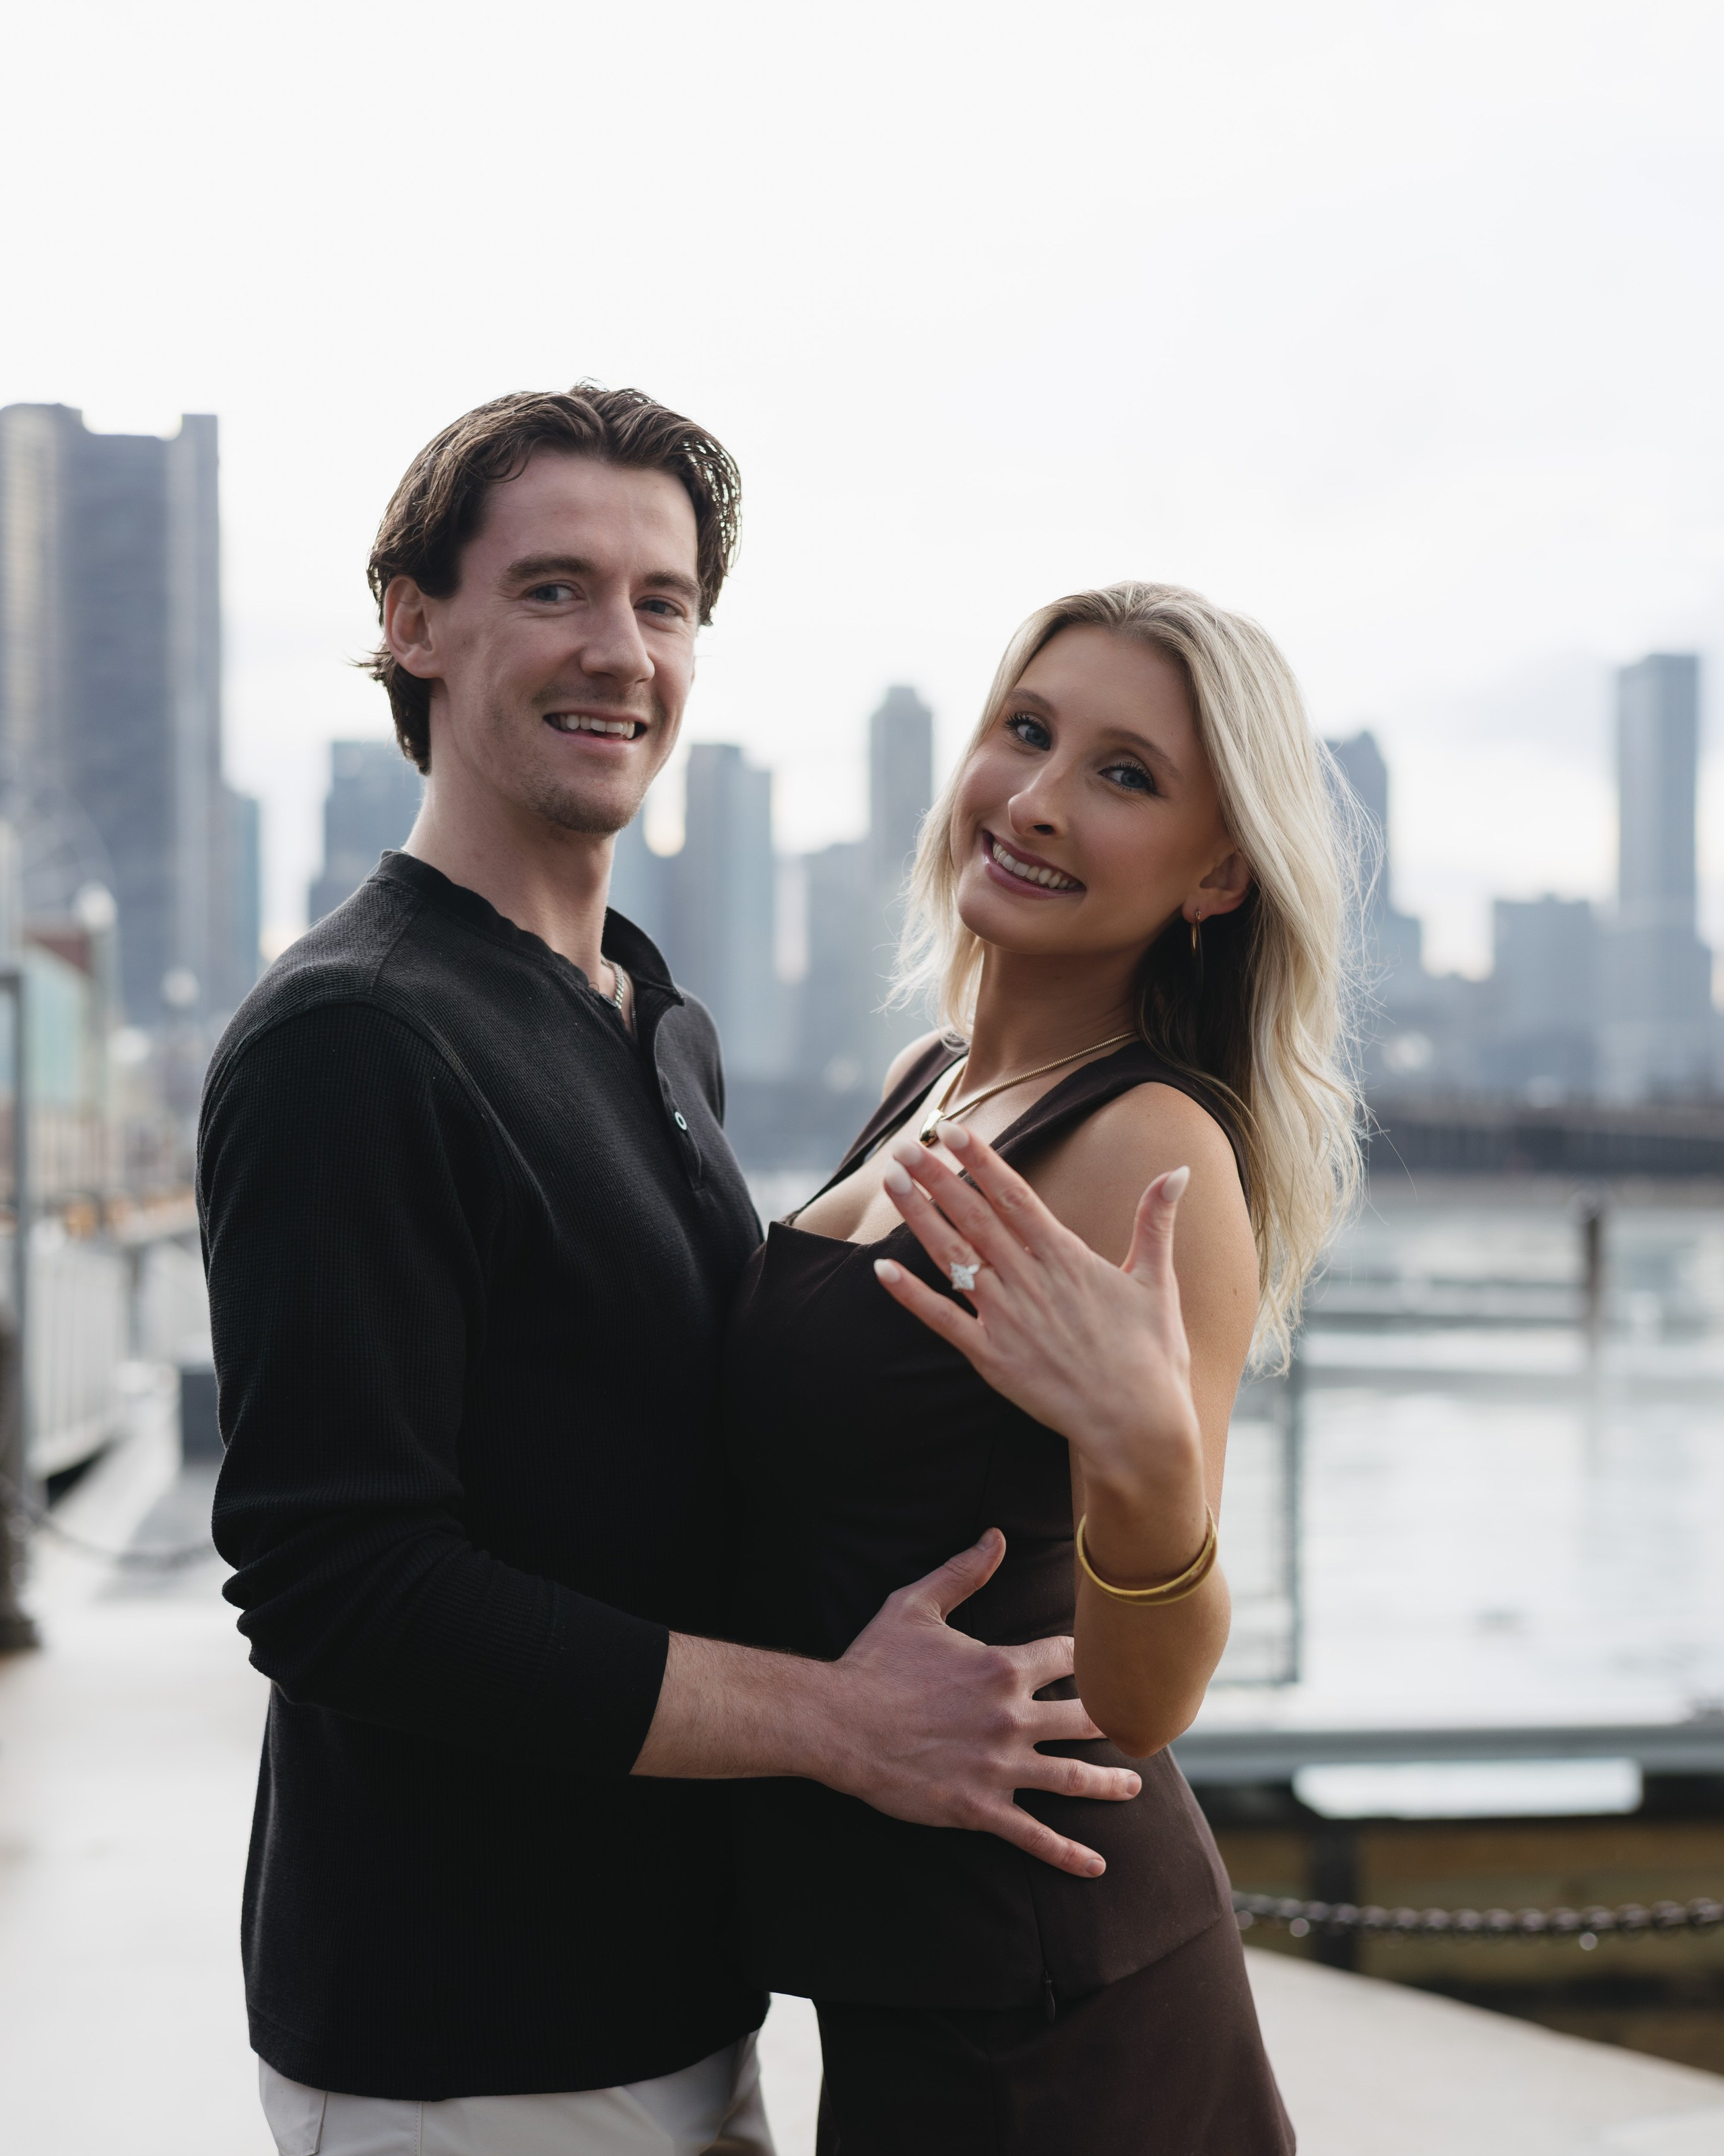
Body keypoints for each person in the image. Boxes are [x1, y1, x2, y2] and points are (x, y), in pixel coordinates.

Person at [200, 388, 1141, 2156]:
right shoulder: (357, 1037)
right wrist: (841, 1723)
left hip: (672, 1995)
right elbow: (339, 1584)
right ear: (412, 622)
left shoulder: (642, 1012)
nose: (618, 650)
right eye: (553, 588)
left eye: (664, 601)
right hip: (465, 2046)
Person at [723, 582, 1362, 2152]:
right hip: (911, 1961)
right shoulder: (925, 1081)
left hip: (1055, 2008)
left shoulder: (1148, 1146)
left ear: (1217, 872)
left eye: (1123, 773)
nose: (1035, 798)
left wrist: (1144, 1452)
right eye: (1025, 730)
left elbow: (1144, 1700)